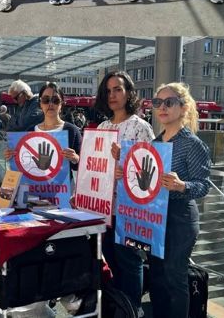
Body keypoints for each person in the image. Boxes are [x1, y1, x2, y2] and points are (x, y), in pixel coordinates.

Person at [115, 83, 210, 318]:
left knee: (174, 277)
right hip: (156, 217)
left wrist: (182, 185)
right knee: (157, 275)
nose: (162, 107)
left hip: (180, 218)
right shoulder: (156, 143)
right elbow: (148, 181)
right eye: (157, 103)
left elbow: (204, 185)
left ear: (184, 107)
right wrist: (125, 170)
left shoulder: (192, 143)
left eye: (169, 102)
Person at [93, 71, 154, 315]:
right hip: (104, 209)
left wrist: (126, 158)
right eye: (108, 91)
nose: (112, 95)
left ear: (129, 92)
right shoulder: (103, 127)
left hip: (130, 210)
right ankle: (117, 308)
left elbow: (149, 170)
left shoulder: (141, 128)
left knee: (129, 262)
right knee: (109, 261)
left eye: (118, 89)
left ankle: (132, 310)